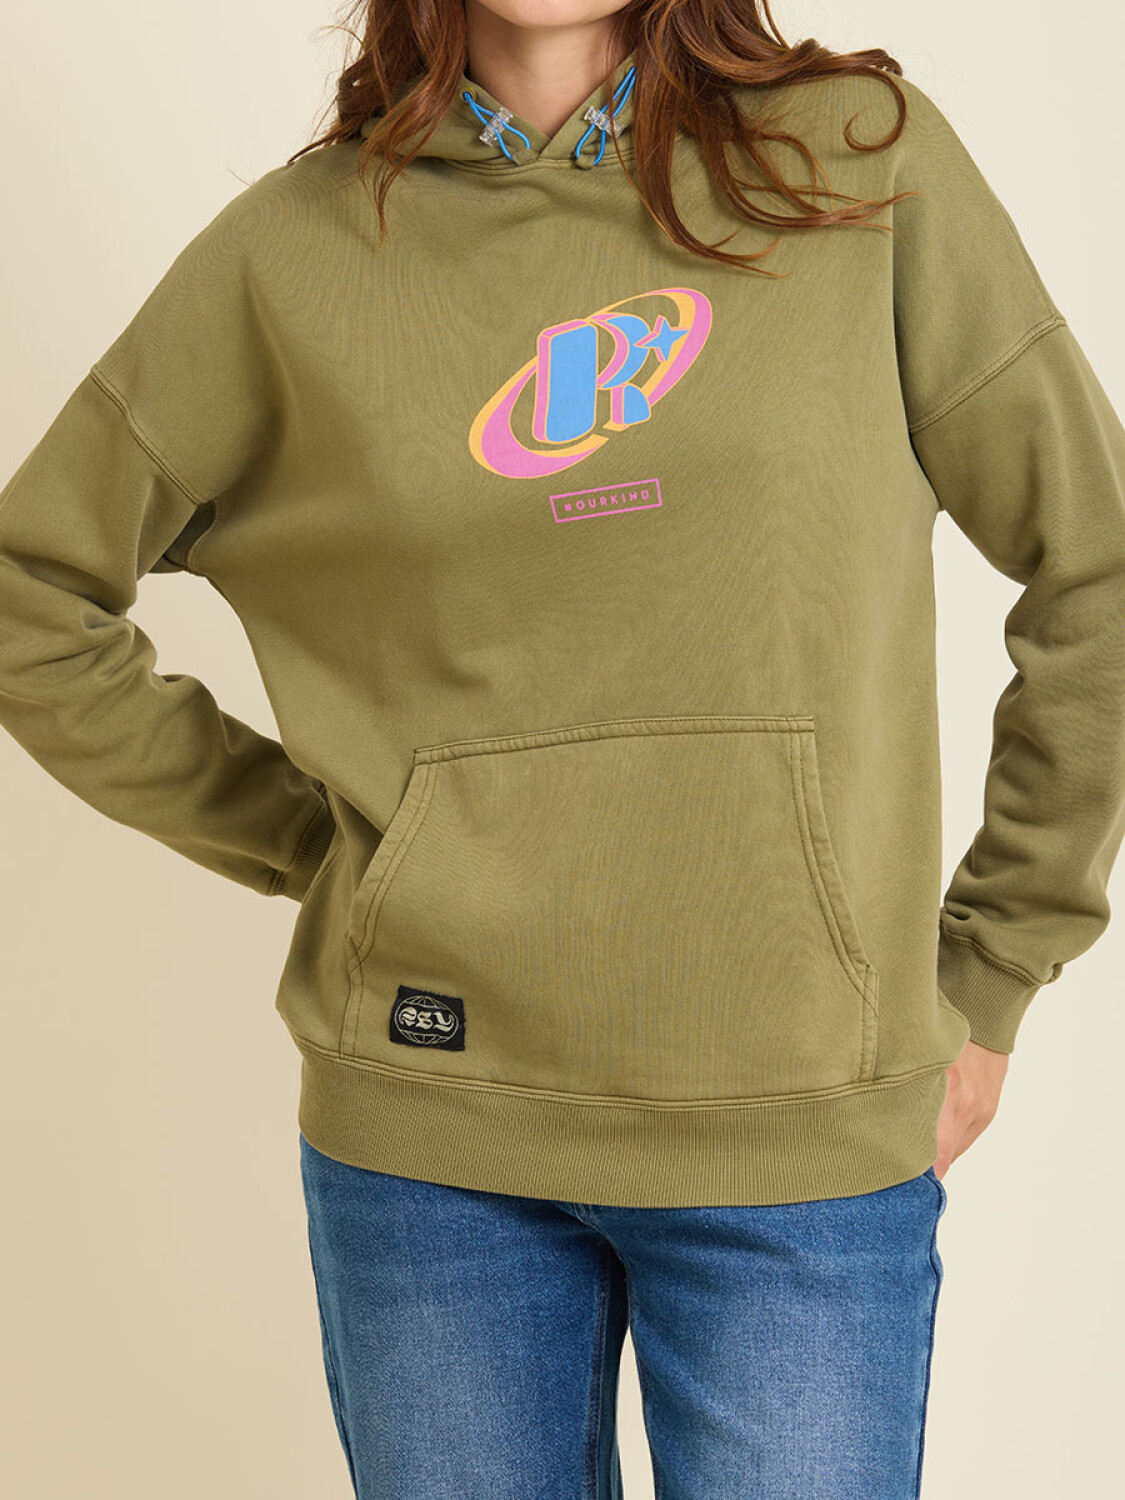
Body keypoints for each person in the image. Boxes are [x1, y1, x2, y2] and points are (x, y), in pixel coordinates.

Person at [2, 1, 1124, 1495]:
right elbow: (30, 594)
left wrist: (994, 967)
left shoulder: (859, 167)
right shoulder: (294, 254)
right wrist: (331, 846)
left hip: (798, 1132)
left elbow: (1097, 568)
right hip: (428, 1142)